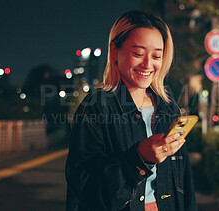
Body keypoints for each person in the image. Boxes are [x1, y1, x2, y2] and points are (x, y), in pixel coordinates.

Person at [65, 10, 198, 211]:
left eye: (156, 56)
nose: (147, 64)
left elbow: (185, 182)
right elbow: (83, 186)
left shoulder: (168, 107)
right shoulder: (96, 108)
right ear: (114, 51)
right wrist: (139, 158)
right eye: (138, 53)